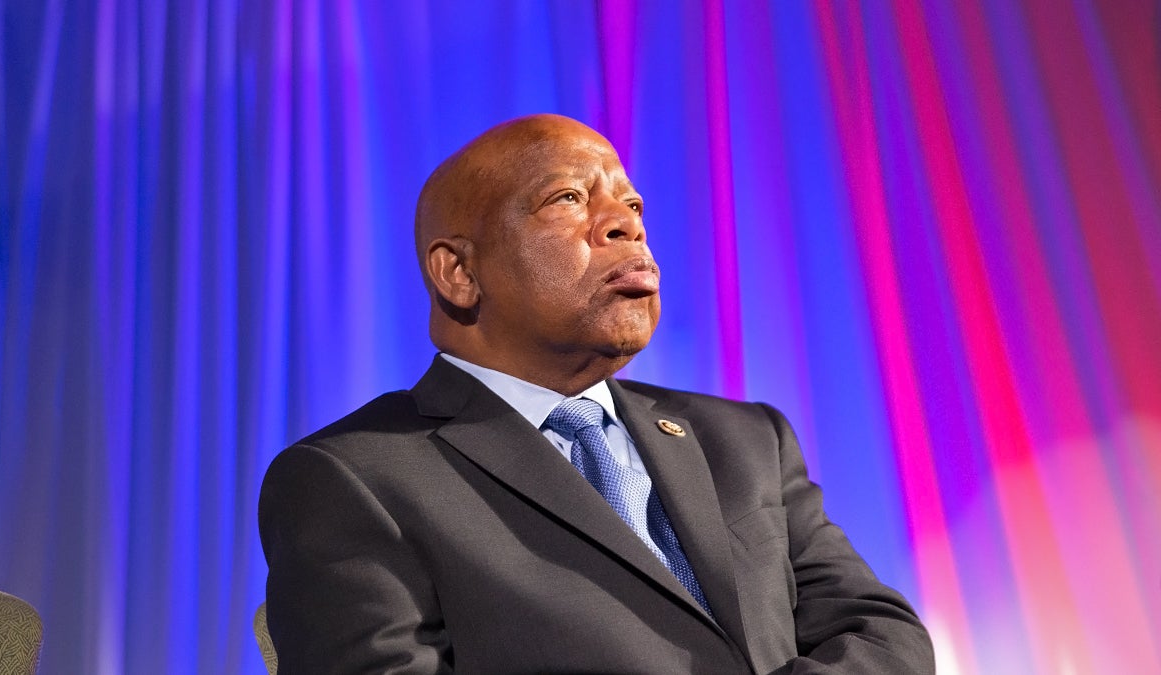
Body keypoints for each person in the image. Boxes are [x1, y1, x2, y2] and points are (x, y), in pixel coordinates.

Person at [258, 114, 934, 674]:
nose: (626, 224)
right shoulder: (355, 477)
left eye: (631, 204)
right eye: (569, 199)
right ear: (459, 273)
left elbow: (880, 632)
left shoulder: (746, 438)